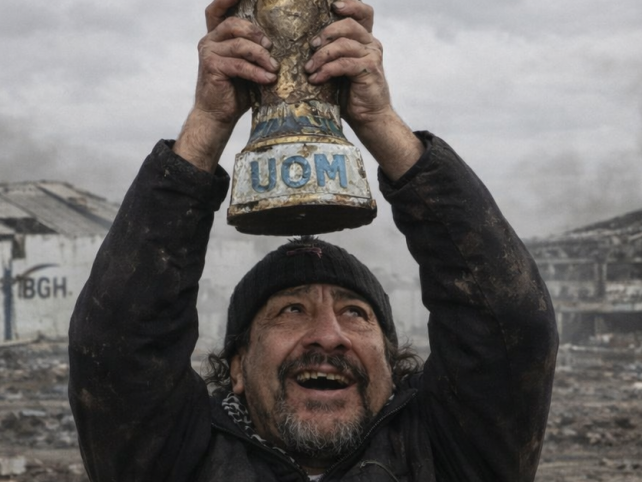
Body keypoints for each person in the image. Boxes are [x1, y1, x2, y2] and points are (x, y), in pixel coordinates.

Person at [68, 0, 558, 480]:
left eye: (355, 313)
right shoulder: (173, 461)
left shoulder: (448, 456)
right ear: (237, 368)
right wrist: (209, 121)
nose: (329, 336)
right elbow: (118, 345)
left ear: (392, 368)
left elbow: (508, 325)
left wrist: (379, 120)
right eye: (291, 311)